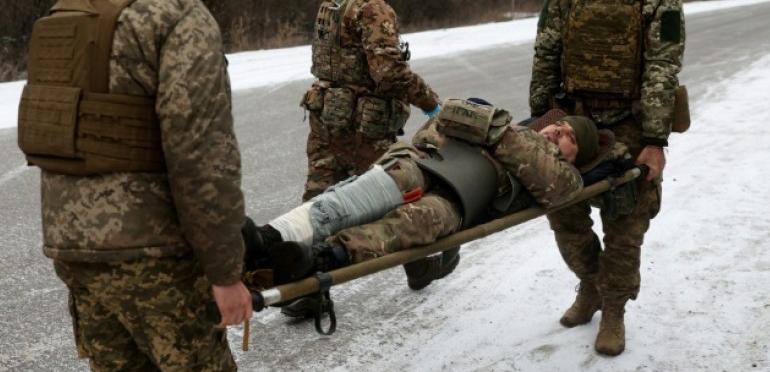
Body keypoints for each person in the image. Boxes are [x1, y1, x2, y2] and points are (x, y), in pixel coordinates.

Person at [17, 0, 251, 371]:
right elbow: (202, 155)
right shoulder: (178, 13)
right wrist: (226, 272)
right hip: (152, 256)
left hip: (74, 251)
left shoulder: (70, 9)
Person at [244, 99, 632, 292]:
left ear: (575, 156)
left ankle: (322, 257)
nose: (555, 133)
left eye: (567, 138)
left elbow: (551, 184)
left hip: (460, 204)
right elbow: (443, 121)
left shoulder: (566, 178)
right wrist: (492, 129)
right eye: (558, 126)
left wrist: (492, 129)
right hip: (430, 165)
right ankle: (269, 237)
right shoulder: (515, 131)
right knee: (356, 196)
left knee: (414, 225)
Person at [528, 0, 686, 356]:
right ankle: (590, 285)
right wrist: (540, 116)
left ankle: (614, 309)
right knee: (562, 209)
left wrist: (656, 141)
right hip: (575, 120)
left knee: (625, 221)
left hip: (632, 125)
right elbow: (546, 51)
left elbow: (662, 66)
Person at [300, 0, 441, 202]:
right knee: (389, 199)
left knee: (318, 203)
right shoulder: (373, 7)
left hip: (325, 121)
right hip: (363, 131)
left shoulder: (332, 2)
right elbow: (390, 73)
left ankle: (301, 243)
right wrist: (430, 102)